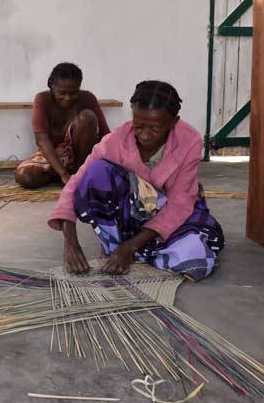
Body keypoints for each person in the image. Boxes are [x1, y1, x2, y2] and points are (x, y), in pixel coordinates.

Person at [49, 81, 225, 281]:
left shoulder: (189, 141)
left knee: (196, 255)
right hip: (129, 217)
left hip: (170, 213)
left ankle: (129, 249)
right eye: (138, 125)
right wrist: (70, 242)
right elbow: (75, 184)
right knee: (97, 172)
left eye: (155, 128)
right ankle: (120, 246)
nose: (145, 135)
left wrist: (130, 247)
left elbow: (179, 204)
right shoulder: (116, 140)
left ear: (173, 122)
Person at [14, 62, 110, 189]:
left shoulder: (88, 98)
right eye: (62, 93)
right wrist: (63, 173)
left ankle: (78, 174)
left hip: (83, 160)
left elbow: (106, 135)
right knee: (24, 176)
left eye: (73, 93)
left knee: (87, 116)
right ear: (51, 86)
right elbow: (41, 140)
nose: (67, 98)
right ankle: (60, 175)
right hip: (53, 156)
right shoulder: (42, 99)